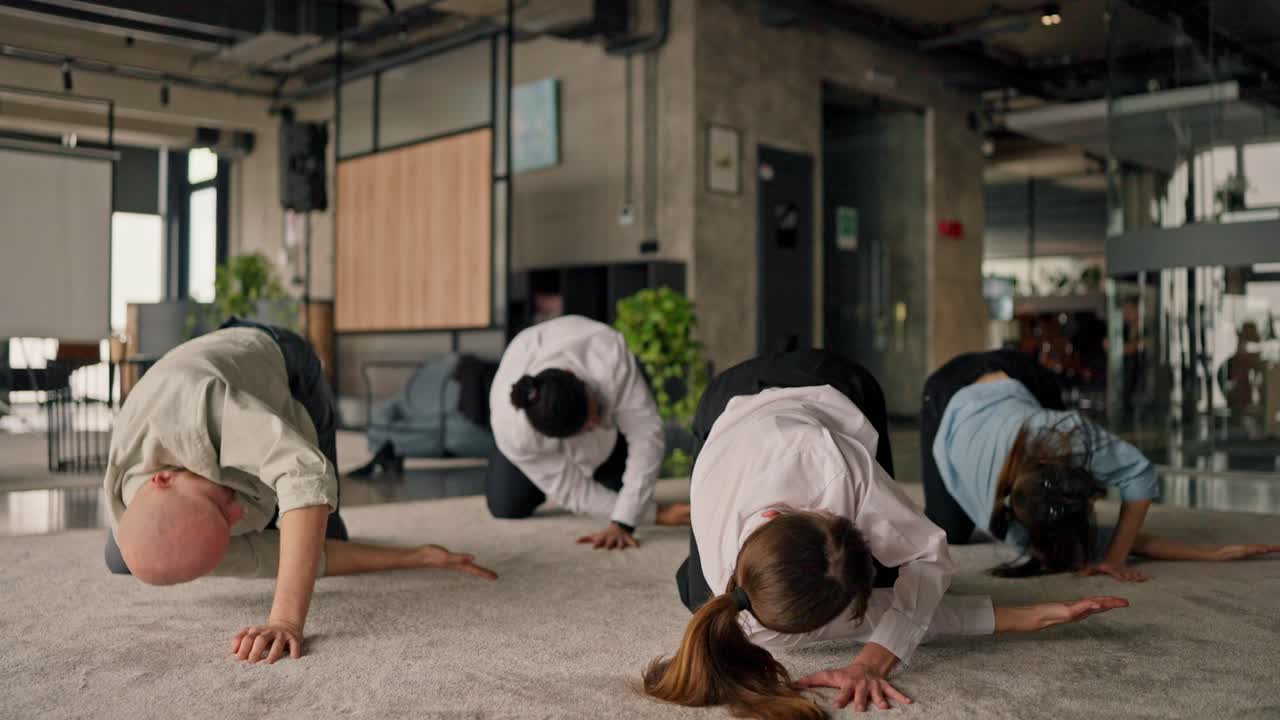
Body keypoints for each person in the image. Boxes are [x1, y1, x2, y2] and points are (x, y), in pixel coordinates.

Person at [645, 349, 1127, 718]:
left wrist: (875, 659)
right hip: (729, 414)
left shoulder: (841, 470)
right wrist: (1025, 616)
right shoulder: (750, 612)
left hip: (830, 382)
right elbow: (891, 615)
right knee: (701, 594)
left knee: (890, 572)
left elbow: (929, 555)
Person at [104, 320, 496, 664]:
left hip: (283, 362)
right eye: (226, 522)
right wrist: (417, 557)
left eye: (219, 506)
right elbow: (286, 556)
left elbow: (303, 474)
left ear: (164, 478)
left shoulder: (197, 412)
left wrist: (285, 620)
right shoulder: (127, 498)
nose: (239, 515)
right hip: (211, 366)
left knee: (316, 523)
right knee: (126, 558)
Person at [921, 349, 1279, 581]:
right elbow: (1092, 545)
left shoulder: (1068, 433)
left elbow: (1138, 472)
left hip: (1020, 372)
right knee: (949, 532)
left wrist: (1117, 557)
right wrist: (1207, 553)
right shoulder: (995, 518)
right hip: (946, 387)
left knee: (1061, 431)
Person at [487, 315, 690, 549]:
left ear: (573, 374)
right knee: (506, 506)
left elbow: (647, 435)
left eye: (594, 415)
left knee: (626, 497)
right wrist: (656, 515)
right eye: (586, 427)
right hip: (527, 439)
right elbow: (571, 489)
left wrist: (624, 520)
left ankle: (606, 464)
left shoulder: (609, 354)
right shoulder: (513, 429)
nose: (593, 423)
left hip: (612, 434)